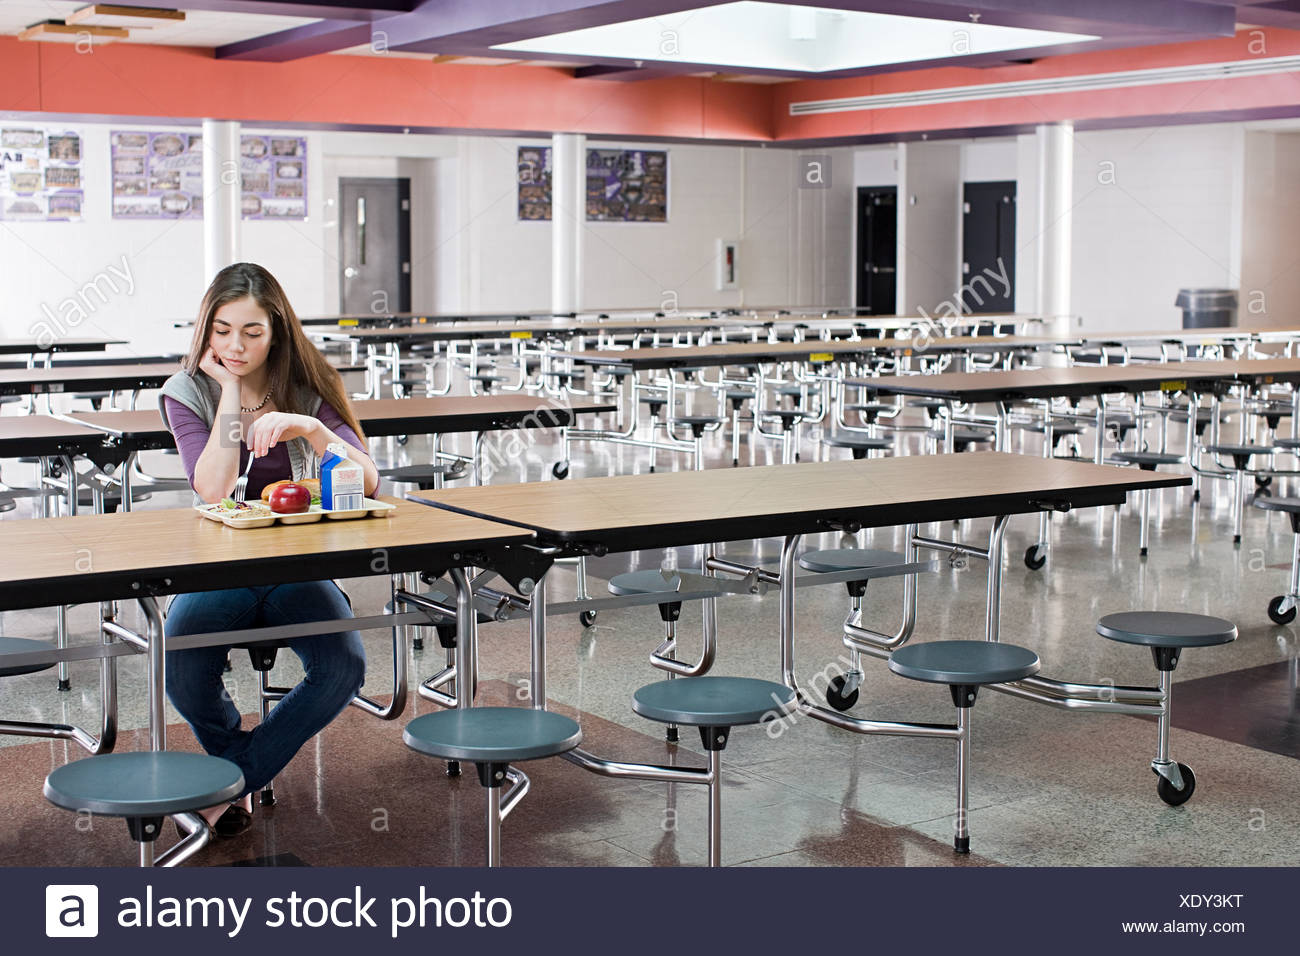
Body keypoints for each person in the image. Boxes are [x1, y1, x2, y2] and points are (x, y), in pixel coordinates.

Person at [159, 262, 381, 837]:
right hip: (221, 565)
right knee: (182, 669)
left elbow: (369, 481)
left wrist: (312, 429)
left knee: (343, 667)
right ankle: (241, 773)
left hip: (298, 564)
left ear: (277, 332)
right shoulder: (187, 390)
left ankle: (230, 783)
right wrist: (230, 394)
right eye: (222, 330)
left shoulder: (307, 385)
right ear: (207, 329)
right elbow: (212, 488)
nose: (235, 345)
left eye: (252, 332)